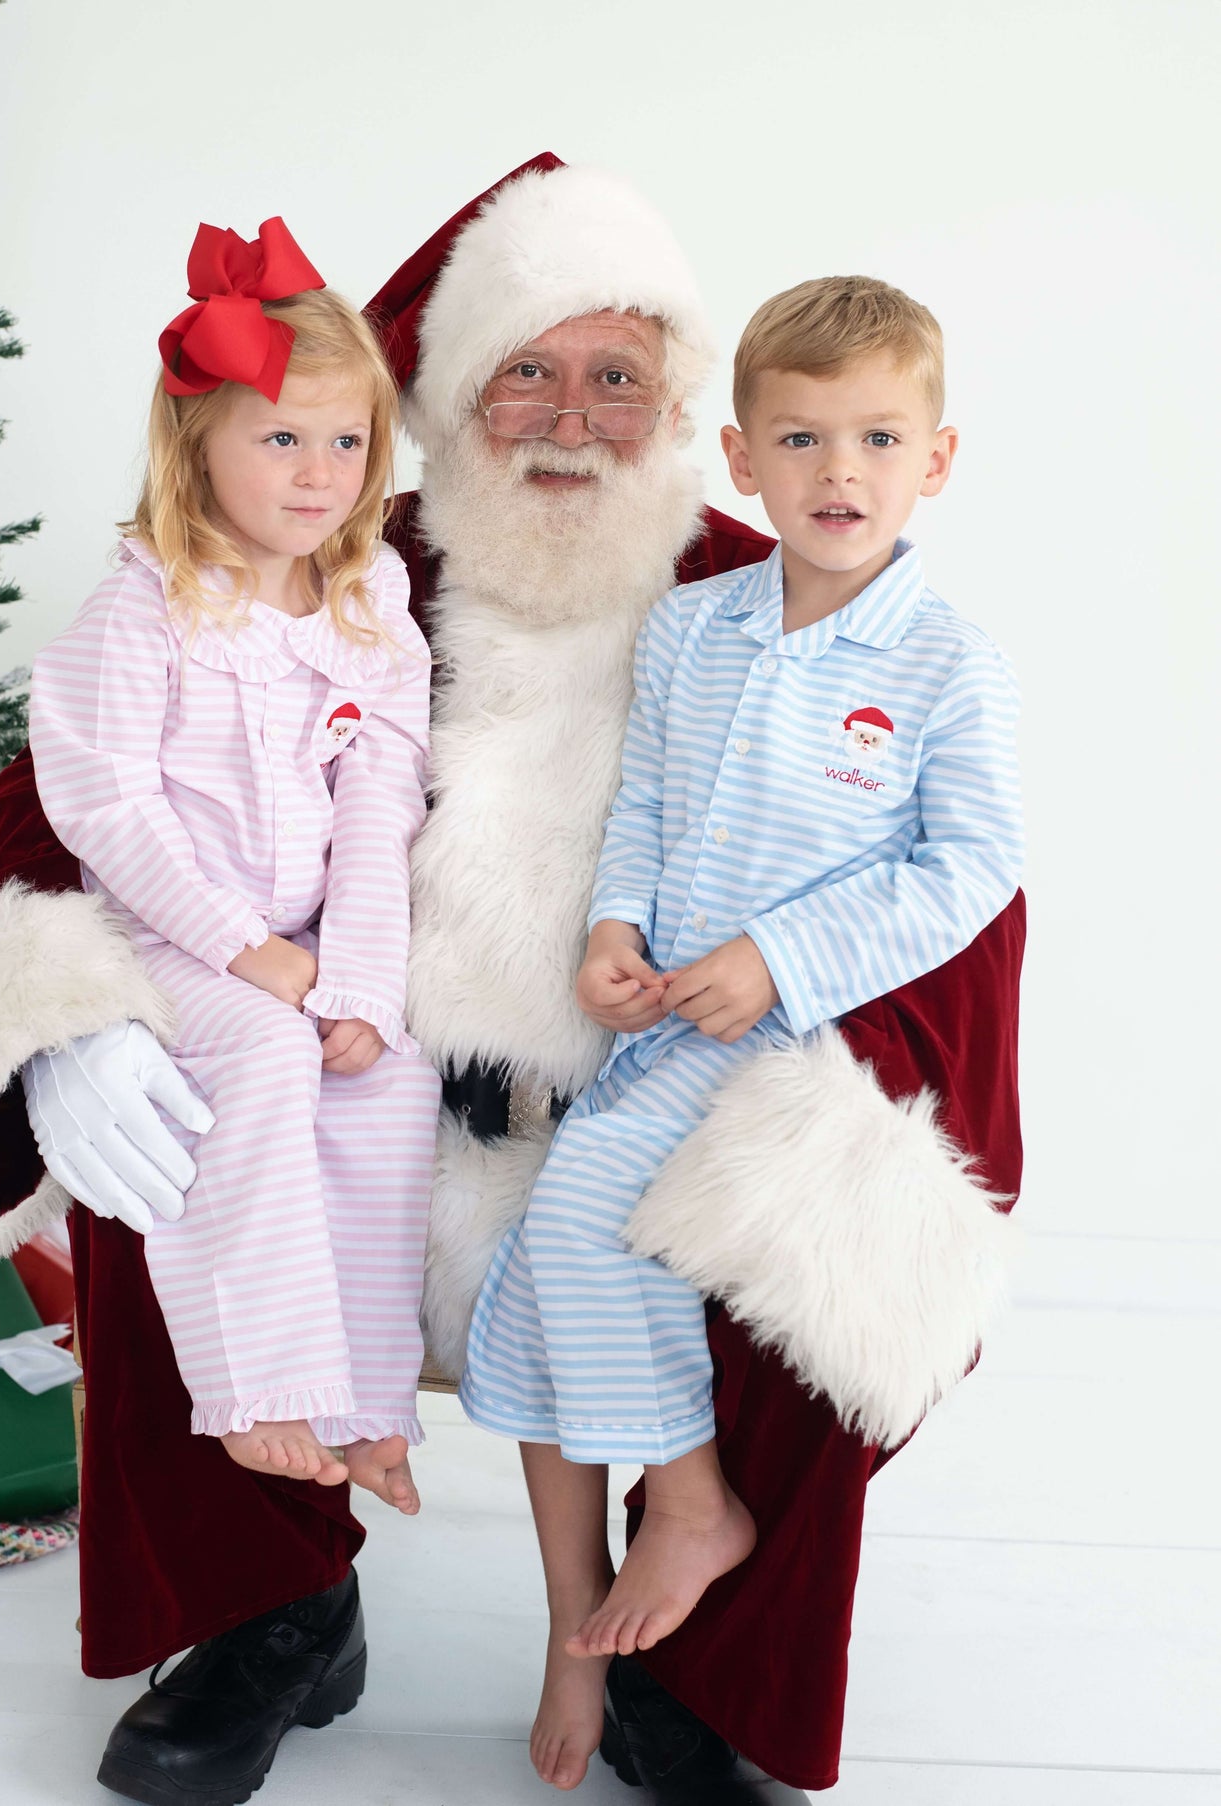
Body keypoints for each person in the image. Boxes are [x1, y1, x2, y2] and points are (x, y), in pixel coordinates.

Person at [0, 157, 1025, 1805]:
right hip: (359, 1087)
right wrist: (56, 1014)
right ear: (442, 396)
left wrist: (824, 1080)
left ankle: (695, 1673)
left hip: (643, 1106)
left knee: (811, 1199)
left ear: (685, 411)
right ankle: (270, 1604)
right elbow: (47, 789)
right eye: (524, 370)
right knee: (181, 1118)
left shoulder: (757, 582)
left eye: (615, 376)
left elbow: (959, 875)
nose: (568, 416)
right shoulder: (328, 555)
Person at [459, 275, 1024, 1787]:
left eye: (877, 439)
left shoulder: (943, 663)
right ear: (738, 458)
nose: (838, 474)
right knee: (530, 1293)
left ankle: (697, 1502)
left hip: (796, 1040)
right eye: (800, 439)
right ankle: (572, 1625)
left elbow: (968, 868)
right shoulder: (694, 628)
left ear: (937, 461)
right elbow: (642, 803)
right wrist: (612, 931)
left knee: (582, 1209)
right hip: (657, 1032)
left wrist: (779, 956)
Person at [25, 220, 439, 1514]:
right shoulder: (148, 603)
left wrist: (359, 980)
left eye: (347, 441)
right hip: (170, 941)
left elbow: (380, 795)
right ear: (196, 443)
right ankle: (254, 1385)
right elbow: (108, 806)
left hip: (310, 940)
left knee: (390, 1082)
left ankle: (369, 1404)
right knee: (258, 1055)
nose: (319, 473)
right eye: (280, 438)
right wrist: (243, 949)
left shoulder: (368, 603)